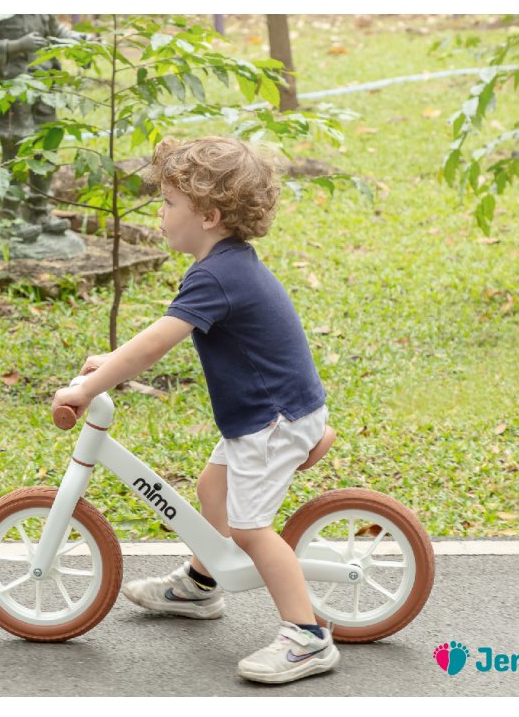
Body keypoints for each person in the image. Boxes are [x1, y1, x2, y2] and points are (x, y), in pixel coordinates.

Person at [51, 136, 339, 685]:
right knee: (213, 490)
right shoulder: (225, 264)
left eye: (168, 203)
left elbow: (156, 344)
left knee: (251, 530)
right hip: (264, 414)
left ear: (208, 216)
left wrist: (89, 388)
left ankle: (307, 637)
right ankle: (201, 587)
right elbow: (156, 337)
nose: (159, 214)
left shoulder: (217, 275)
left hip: (273, 421)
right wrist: (110, 362)